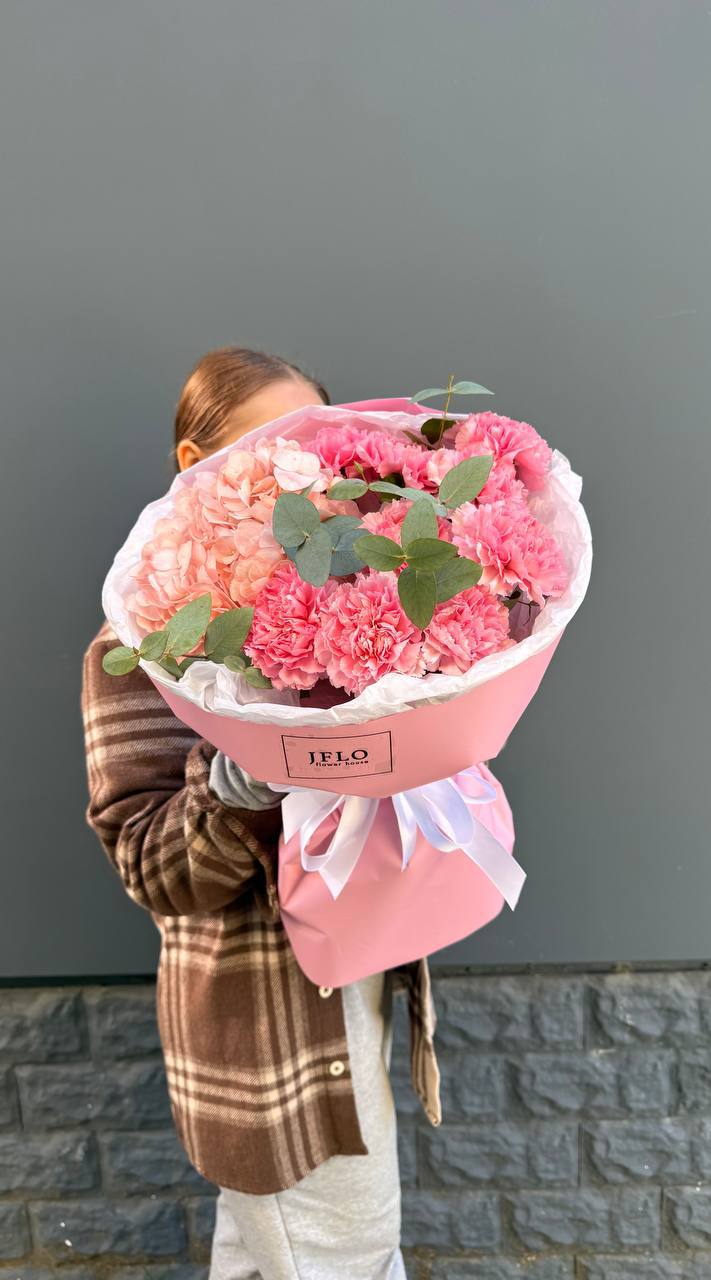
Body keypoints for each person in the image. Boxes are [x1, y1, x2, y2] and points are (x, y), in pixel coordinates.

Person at [81, 347, 442, 1280]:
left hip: (351, 999)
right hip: (269, 1040)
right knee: (349, 1260)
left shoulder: (340, 604)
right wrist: (240, 780)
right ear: (194, 462)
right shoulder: (142, 649)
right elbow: (151, 870)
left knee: (269, 1259)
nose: (300, 473)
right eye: (273, 445)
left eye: (315, 447)